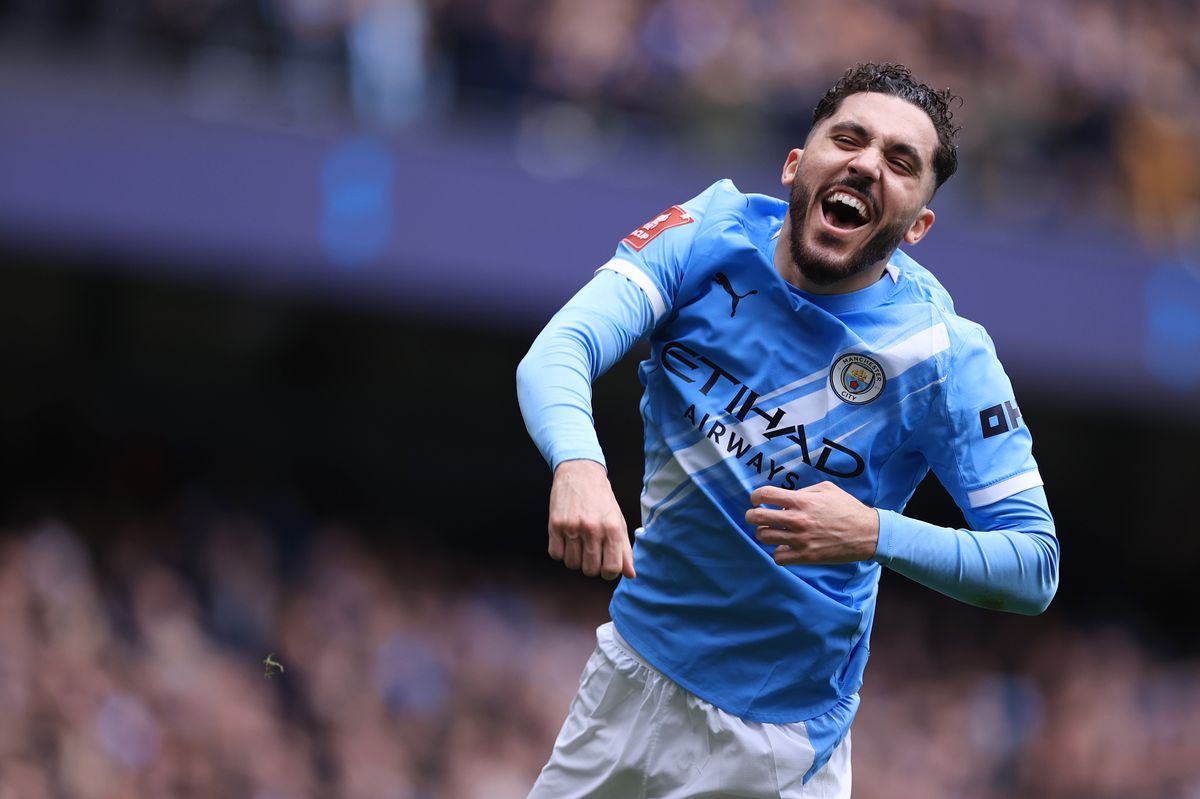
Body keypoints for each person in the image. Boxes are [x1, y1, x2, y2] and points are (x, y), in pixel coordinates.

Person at [516, 62, 1059, 799]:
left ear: (918, 226)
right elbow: (562, 348)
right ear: (796, 164)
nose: (867, 165)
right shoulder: (709, 233)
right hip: (627, 679)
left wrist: (872, 532)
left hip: (779, 747)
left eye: (901, 163)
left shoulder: (944, 356)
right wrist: (577, 463)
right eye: (850, 139)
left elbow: (1032, 565)